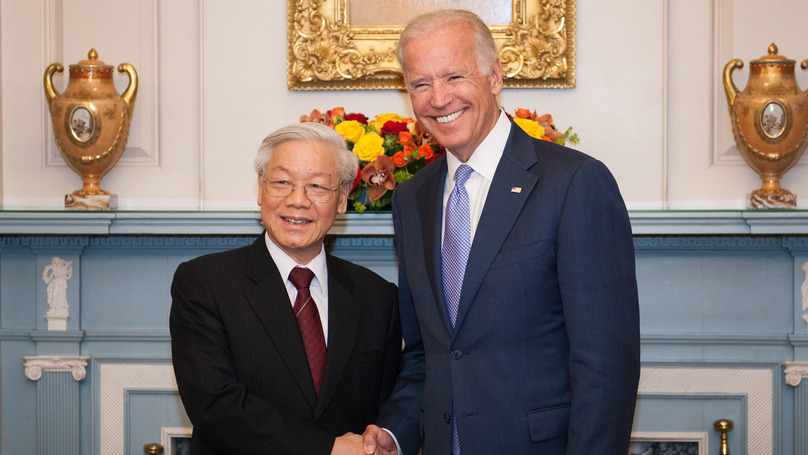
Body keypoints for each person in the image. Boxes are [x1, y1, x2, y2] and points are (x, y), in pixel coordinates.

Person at [362, 9, 640, 455]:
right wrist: (394, 433)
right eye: (420, 84)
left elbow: (605, 366)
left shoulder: (574, 183)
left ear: (494, 77)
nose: (438, 99)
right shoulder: (412, 198)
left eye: (454, 76)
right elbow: (427, 354)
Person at [170, 122, 402, 455]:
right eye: (282, 182)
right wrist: (327, 449)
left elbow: (387, 405)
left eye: (317, 186)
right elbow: (214, 405)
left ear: (342, 198)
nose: (297, 200)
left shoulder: (378, 297)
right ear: (260, 189)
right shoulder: (205, 283)